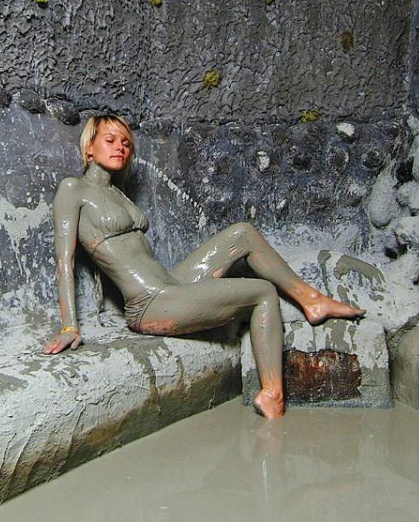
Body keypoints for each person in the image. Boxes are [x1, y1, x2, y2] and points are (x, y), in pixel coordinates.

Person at [44, 115, 364, 419]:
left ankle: (311, 300)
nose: (120, 147)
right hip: (149, 304)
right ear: (89, 148)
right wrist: (70, 327)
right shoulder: (73, 190)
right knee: (264, 293)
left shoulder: (119, 194)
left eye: (126, 143)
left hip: (171, 286)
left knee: (243, 233)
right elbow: (64, 261)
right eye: (110, 140)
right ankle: (272, 396)